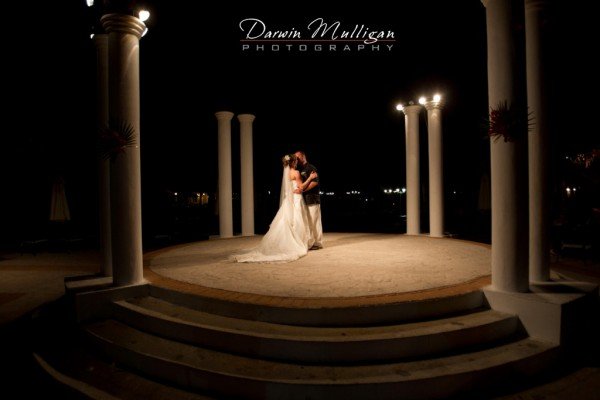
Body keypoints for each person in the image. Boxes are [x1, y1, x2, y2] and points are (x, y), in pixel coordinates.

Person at [232, 154, 317, 263]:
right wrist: (310, 178)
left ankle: (288, 242)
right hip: (296, 199)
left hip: (288, 200)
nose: (297, 163)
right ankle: (297, 242)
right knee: (297, 220)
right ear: (293, 162)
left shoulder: (286, 174)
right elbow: (301, 187)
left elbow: (288, 188)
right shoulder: (296, 173)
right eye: (296, 161)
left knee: (287, 220)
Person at [294, 150, 323, 249]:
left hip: (312, 199)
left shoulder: (311, 168)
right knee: (307, 222)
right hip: (303, 200)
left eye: (298, 157)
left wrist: (302, 190)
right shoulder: (298, 169)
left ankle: (318, 243)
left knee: (314, 221)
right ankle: (310, 242)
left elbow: (315, 183)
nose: (296, 159)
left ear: (303, 157)